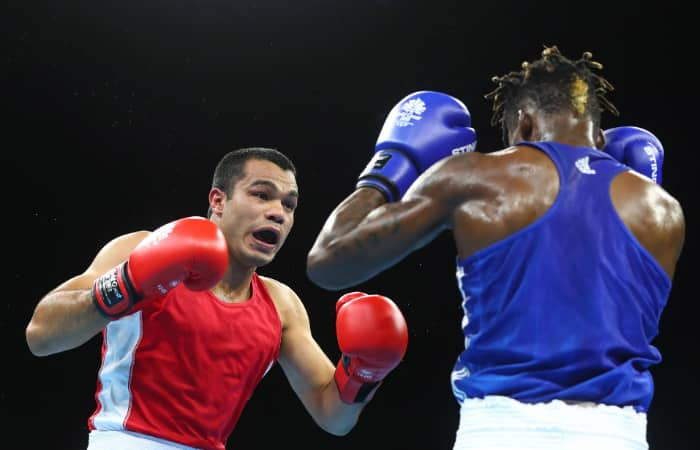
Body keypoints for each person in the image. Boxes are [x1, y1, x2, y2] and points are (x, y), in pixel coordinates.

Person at [306, 46, 685, 450]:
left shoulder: (478, 178)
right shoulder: (662, 209)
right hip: (619, 436)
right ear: (600, 136)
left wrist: (387, 168)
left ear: (522, 124)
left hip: (501, 431)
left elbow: (328, 264)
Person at [25, 147, 409, 450]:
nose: (278, 213)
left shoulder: (281, 304)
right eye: (262, 195)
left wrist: (366, 372)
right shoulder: (144, 248)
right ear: (218, 200)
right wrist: (129, 283)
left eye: (289, 205)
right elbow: (41, 335)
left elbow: (334, 417)